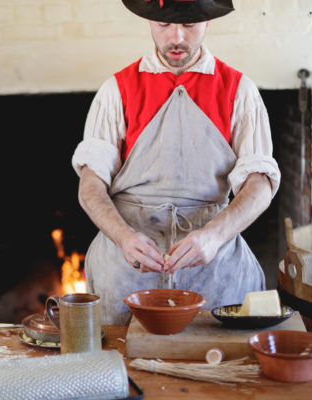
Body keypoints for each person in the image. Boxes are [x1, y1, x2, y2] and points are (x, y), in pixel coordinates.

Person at [71, 0, 280, 325]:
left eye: (190, 25)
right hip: (127, 262)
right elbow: (90, 185)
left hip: (212, 260)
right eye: (164, 24)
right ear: (150, 22)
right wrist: (124, 236)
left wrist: (213, 235)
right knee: (120, 365)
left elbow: (260, 184)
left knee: (219, 367)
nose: (176, 38)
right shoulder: (116, 91)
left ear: (208, 21)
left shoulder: (239, 91)